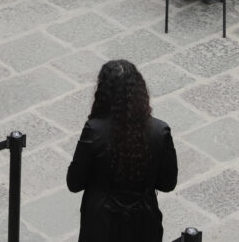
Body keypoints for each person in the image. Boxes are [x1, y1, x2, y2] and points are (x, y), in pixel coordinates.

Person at [66, 60, 178, 242]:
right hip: (143, 224)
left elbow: (74, 182)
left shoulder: (94, 130)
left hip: (100, 226)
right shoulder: (160, 131)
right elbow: (167, 183)